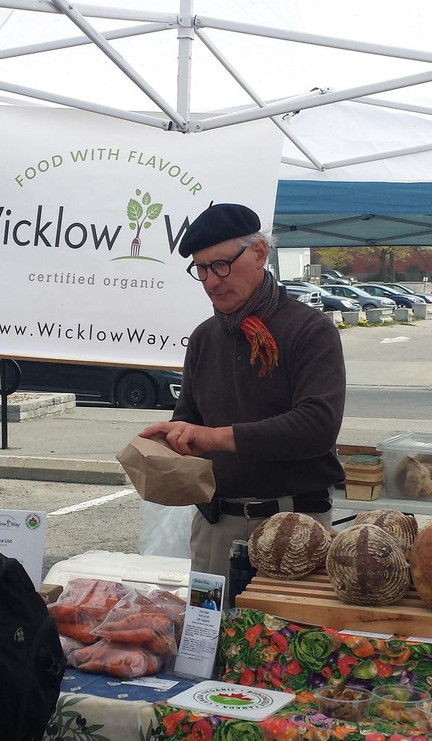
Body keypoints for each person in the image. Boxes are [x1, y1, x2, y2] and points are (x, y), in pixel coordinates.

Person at [141, 203, 346, 578]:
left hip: (296, 528)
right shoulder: (204, 337)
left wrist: (214, 438)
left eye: (220, 265)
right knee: (210, 618)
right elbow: (190, 420)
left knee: (286, 620)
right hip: (216, 528)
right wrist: (169, 443)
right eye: (201, 269)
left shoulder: (310, 329)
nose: (211, 281)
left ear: (259, 253)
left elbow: (317, 426)